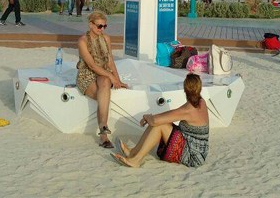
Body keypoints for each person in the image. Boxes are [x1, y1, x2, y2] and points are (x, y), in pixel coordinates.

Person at [112, 73, 209, 168]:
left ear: (185, 89)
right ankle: (132, 152)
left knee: (159, 125)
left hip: (193, 156)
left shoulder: (189, 109)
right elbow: (172, 113)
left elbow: (155, 121)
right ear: (199, 88)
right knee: (160, 122)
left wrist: (147, 117)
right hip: (196, 149)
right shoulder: (201, 102)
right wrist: (151, 117)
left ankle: (136, 160)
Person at [76, 10, 127, 148]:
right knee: (103, 93)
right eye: (99, 26)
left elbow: (110, 61)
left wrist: (118, 80)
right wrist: (111, 76)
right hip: (87, 74)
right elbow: (92, 65)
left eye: (104, 26)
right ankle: (104, 134)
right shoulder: (82, 41)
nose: (102, 29)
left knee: (104, 83)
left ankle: (103, 129)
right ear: (91, 25)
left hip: (103, 74)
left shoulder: (106, 39)